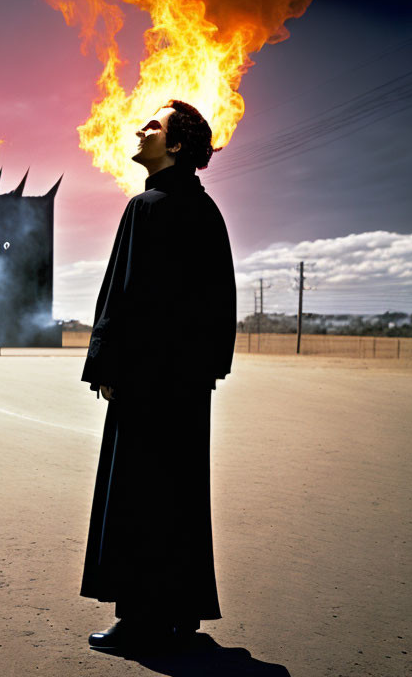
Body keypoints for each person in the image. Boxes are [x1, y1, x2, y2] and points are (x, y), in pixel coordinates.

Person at [80, 100, 236, 651]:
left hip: (146, 383)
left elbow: (122, 297)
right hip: (186, 386)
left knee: (136, 494)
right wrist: (204, 371)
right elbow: (222, 304)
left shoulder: (144, 208)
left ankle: (138, 620)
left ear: (174, 146)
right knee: (181, 494)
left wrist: (106, 365)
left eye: (155, 126)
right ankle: (179, 616)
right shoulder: (209, 212)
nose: (141, 129)